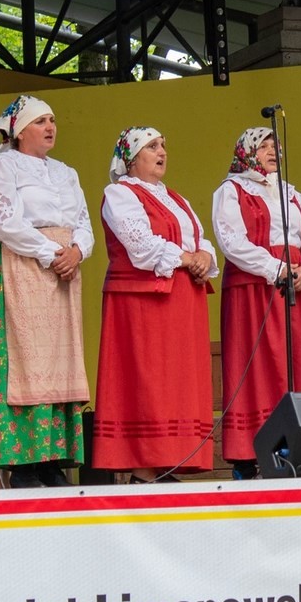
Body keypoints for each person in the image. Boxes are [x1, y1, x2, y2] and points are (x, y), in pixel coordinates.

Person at [0, 94, 92, 488]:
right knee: (27, 363)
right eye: (40, 121)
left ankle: (51, 460)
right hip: (25, 266)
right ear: (19, 130)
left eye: (52, 120)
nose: (50, 127)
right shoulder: (2, 165)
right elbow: (5, 222)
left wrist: (77, 251)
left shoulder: (66, 172)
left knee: (61, 364)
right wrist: (51, 253)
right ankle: (24, 464)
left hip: (63, 273)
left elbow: (83, 221)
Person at [93, 126, 218, 482]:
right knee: (147, 379)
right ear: (131, 158)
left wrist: (203, 257)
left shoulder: (175, 198)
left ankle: (166, 463)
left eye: (163, 145)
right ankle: (144, 469)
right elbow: (141, 245)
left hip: (181, 301)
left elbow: (200, 239)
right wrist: (187, 258)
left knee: (175, 381)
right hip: (143, 302)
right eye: (151, 146)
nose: (162, 151)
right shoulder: (120, 193)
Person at [211, 127, 301, 479]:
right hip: (252, 288)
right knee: (254, 365)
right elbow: (232, 242)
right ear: (246, 152)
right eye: (264, 146)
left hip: (290, 288)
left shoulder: (292, 194)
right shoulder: (232, 190)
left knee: (290, 364)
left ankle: (291, 448)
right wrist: (275, 268)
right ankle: (248, 456)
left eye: (276, 145)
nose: (273, 151)